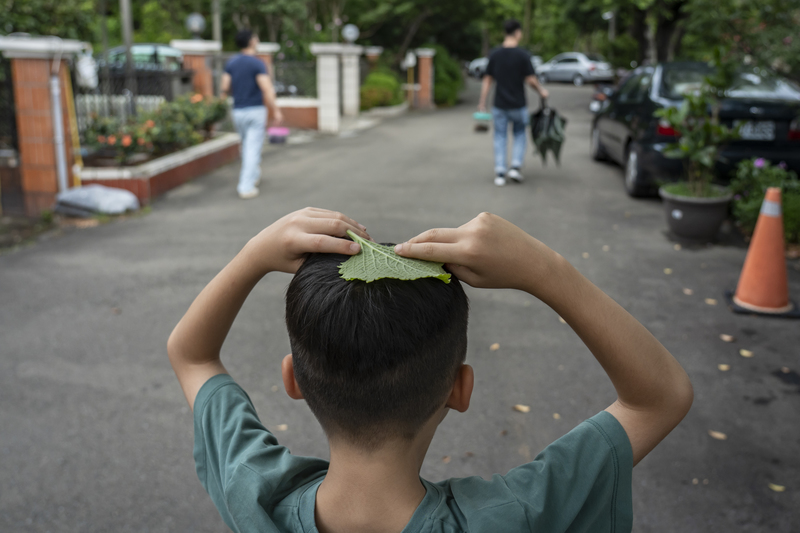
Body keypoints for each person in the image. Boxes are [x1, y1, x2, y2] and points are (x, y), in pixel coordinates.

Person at [168, 207, 693, 533]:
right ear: (460, 390)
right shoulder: (517, 517)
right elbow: (659, 396)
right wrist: (543, 269)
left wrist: (254, 255)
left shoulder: (255, 494)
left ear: (293, 381)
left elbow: (191, 354)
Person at [479, 19, 549, 187]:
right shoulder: (523, 55)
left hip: (499, 105)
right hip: (518, 105)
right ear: (518, 33)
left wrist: (482, 102)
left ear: (505, 33)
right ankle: (515, 167)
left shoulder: (495, 54)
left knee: (500, 137)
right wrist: (541, 91)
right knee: (519, 135)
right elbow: (531, 80)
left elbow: (487, 80)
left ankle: (500, 172)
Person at [221, 30, 284, 200]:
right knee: (252, 148)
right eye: (256, 37)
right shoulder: (258, 64)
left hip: (238, 111)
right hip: (255, 110)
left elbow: (225, 87)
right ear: (251, 42)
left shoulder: (231, 63)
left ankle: (254, 175)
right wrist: (276, 110)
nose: (257, 39)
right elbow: (267, 89)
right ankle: (245, 187)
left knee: (247, 146)